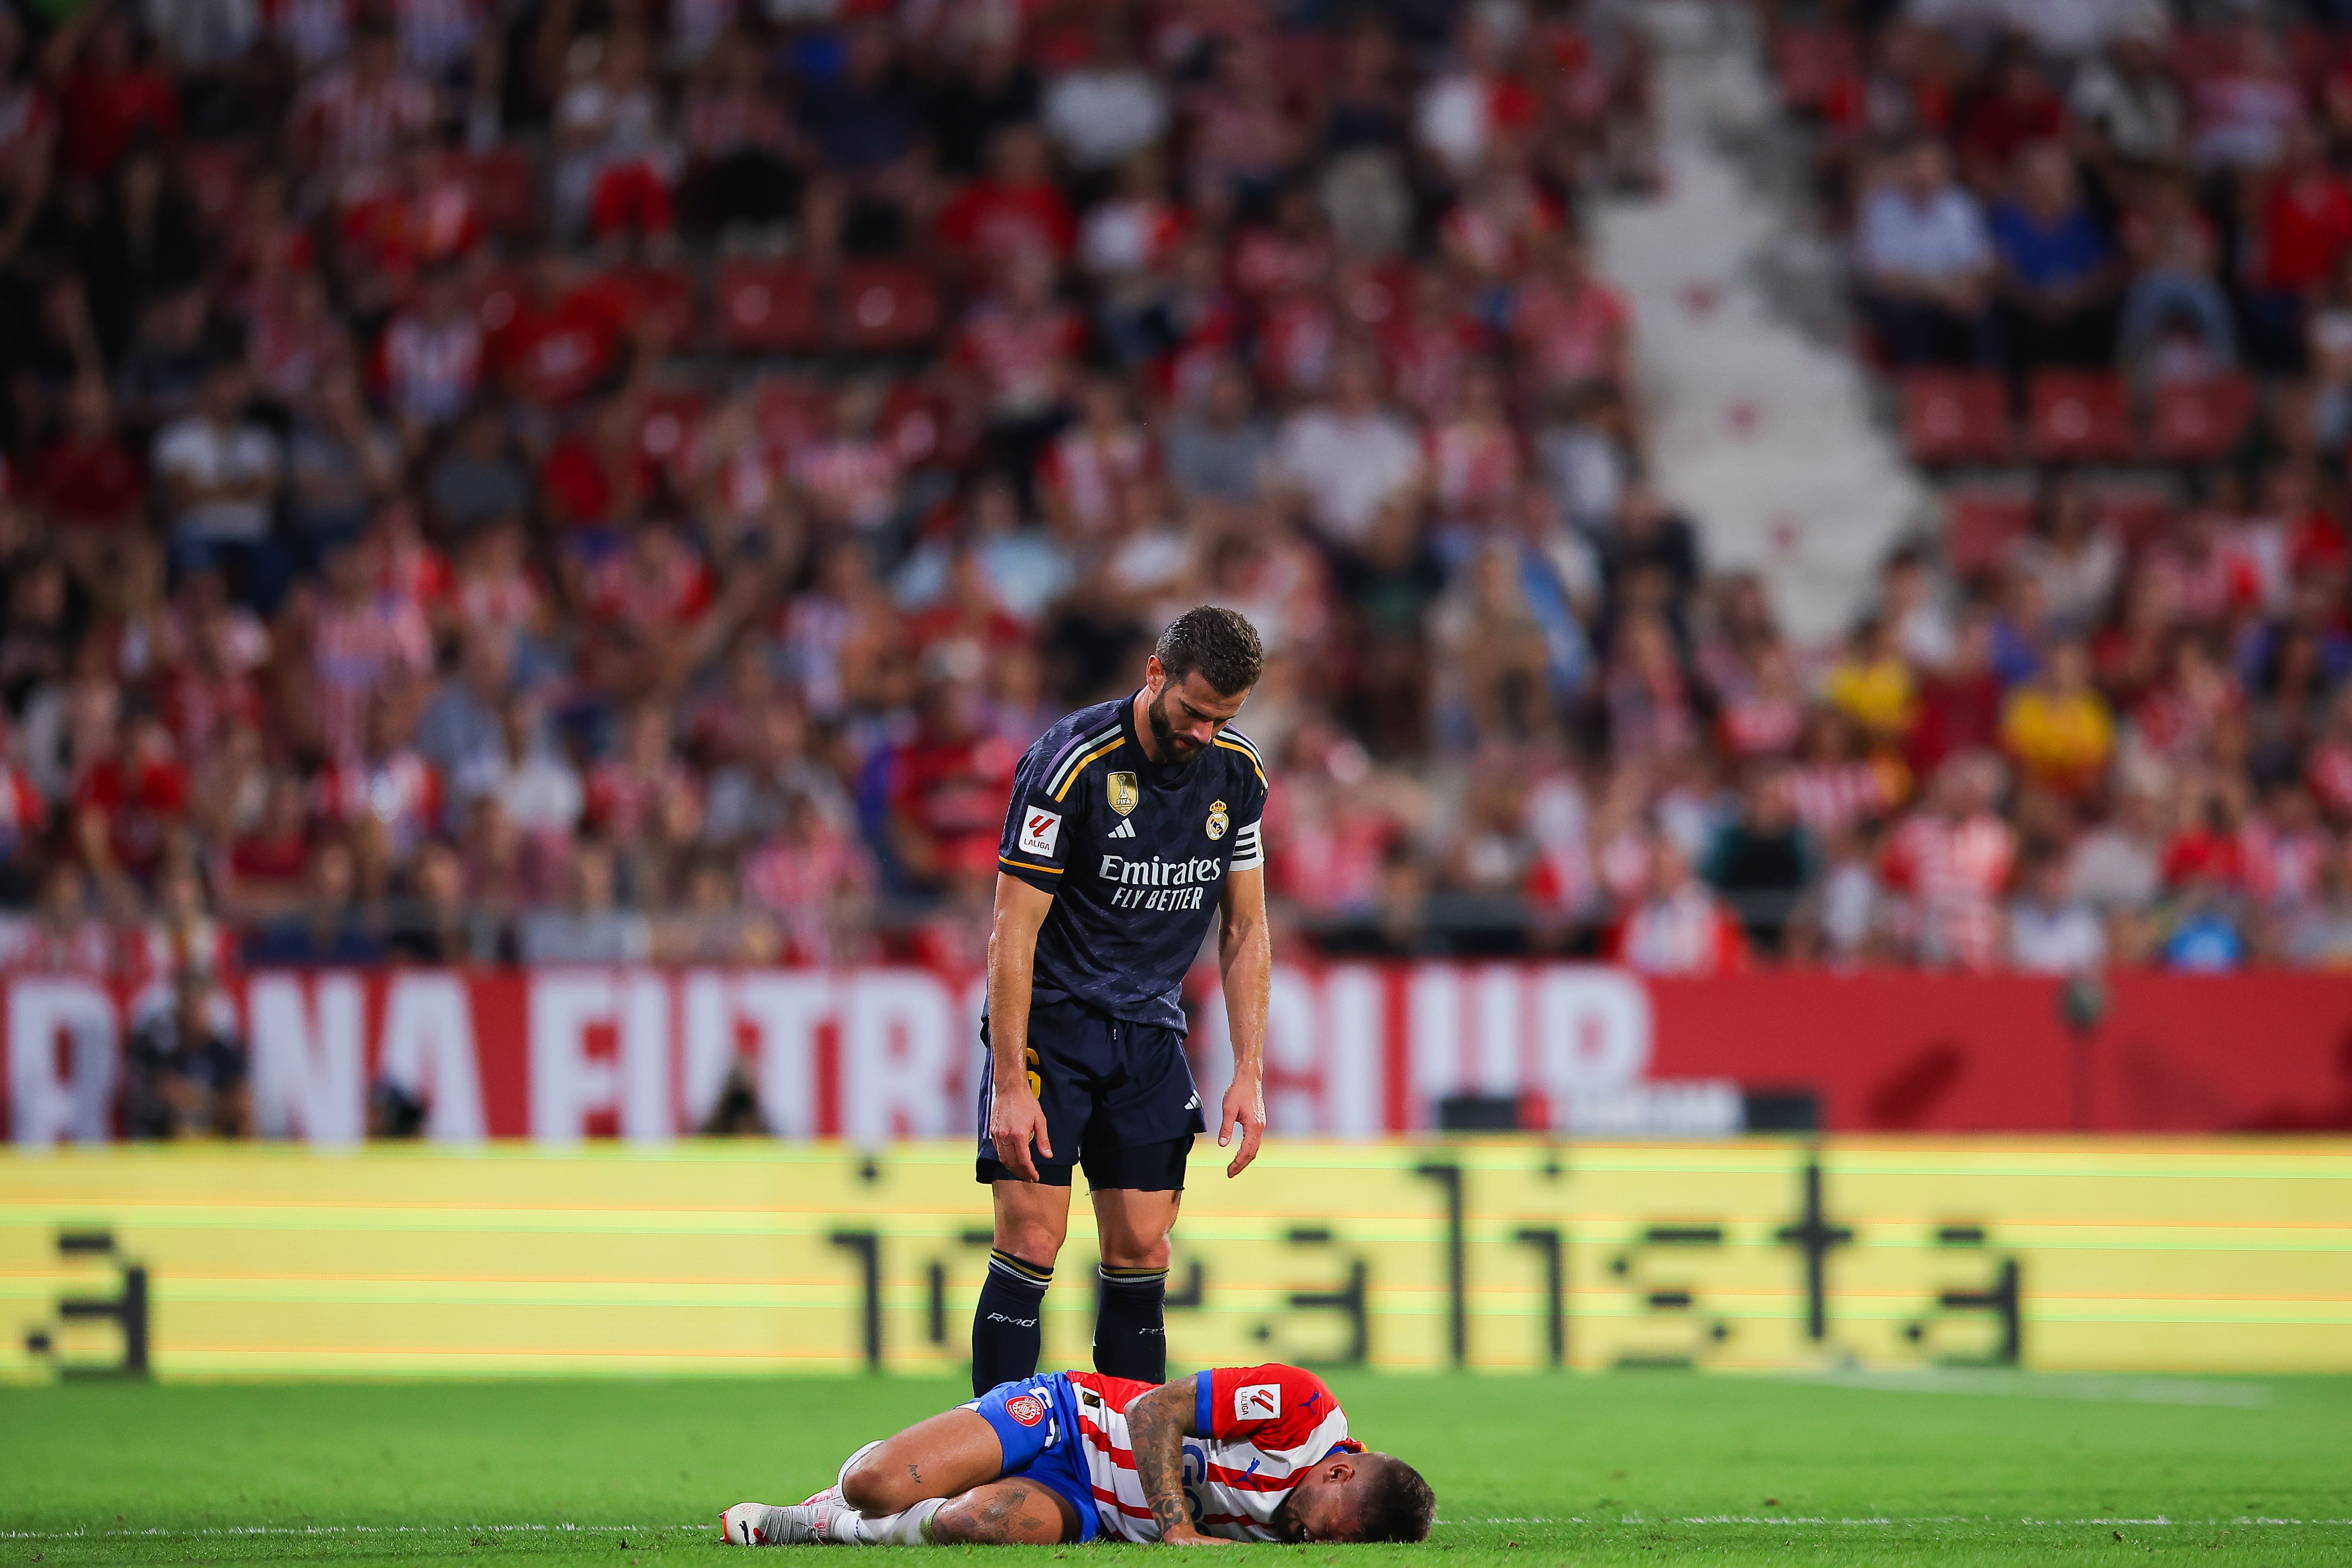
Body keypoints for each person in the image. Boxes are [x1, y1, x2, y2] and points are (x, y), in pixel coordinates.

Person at [974, 607, 1271, 1398]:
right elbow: (1013, 929)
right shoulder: (1070, 764)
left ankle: (1132, 1473)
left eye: (1224, 719)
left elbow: (1244, 928)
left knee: (1144, 1248)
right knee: (1032, 1236)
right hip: (1053, 1027)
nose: (1205, 733)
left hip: (1149, 1035)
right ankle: (989, 1458)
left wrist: (1249, 1070)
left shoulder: (1238, 775)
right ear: (1155, 674)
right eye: (1195, 712)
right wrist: (1009, 1081)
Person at [720, 1361, 1432, 1547]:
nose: (1307, 1538)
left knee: (976, 1524)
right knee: (874, 1482)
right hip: (1068, 1420)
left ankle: (815, 1523)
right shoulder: (1298, 1407)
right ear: (1337, 1469)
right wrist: (1178, 1528)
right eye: (1324, 1525)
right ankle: (866, 1488)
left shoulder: (1305, 1526)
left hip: (1087, 1504)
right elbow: (1155, 1409)